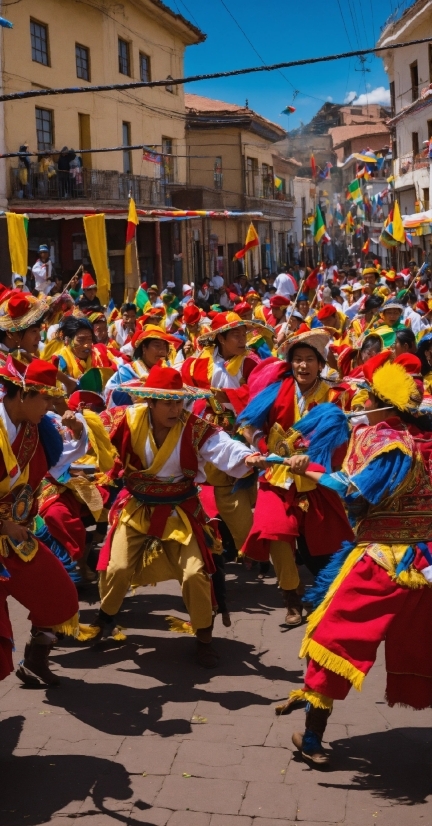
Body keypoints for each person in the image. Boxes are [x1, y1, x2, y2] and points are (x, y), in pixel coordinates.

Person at [282, 353, 432, 766]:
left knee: (331, 638)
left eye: (366, 397)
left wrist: (306, 467)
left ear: (382, 403)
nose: (360, 404)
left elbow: (352, 492)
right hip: (428, 561)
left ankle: (312, 739)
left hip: (384, 563)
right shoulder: (422, 439)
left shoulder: (388, 445)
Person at [94, 364, 256, 667]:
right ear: (149, 402)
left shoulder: (194, 426)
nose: (174, 408)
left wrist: (247, 456)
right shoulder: (125, 419)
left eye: (178, 401)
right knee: (116, 568)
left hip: (179, 511)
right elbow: (91, 431)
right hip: (136, 507)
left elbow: (223, 447)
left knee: (195, 573)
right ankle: (105, 619)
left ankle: (204, 637)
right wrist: (77, 426)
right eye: (166, 402)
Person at [239, 329, 354, 625]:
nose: (303, 366)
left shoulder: (334, 395)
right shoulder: (275, 392)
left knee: (327, 541)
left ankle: (329, 593)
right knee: (275, 532)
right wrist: (266, 446)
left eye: (309, 360)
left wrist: (315, 454)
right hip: (278, 477)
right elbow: (248, 427)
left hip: (317, 478)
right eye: (298, 360)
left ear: (319, 364)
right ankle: (291, 596)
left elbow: (344, 435)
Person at [0, 356, 79, 686]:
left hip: (16, 537)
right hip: (6, 530)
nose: (50, 405)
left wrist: (80, 430)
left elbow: (63, 459)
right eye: (45, 398)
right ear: (22, 394)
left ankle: (34, 661)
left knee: (60, 595)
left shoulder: (37, 430)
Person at [0, 293, 48, 364]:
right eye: (34, 331)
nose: (39, 338)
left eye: (39, 331)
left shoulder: (25, 355)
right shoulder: (2, 365)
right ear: (12, 334)